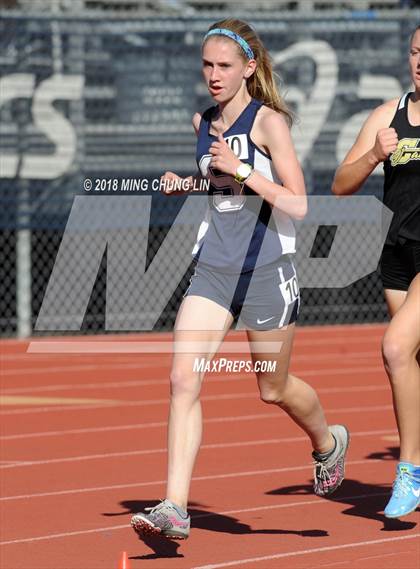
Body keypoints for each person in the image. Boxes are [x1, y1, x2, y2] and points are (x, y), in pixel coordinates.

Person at [131, 18, 350, 540]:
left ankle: (328, 441)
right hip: (214, 269)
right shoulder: (201, 122)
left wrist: (247, 172)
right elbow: (218, 187)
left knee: (271, 389)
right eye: (207, 65)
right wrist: (186, 184)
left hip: (268, 271)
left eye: (224, 65)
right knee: (183, 379)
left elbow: (298, 203)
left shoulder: (268, 122)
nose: (213, 75)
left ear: (249, 68)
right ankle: (175, 507)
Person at [332, 25, 420, 519]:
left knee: (394, 348)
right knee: (414, 364)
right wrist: (374, 153)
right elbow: (342, 184)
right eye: (414, 52)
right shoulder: (388, 116)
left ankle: (409, 471)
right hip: (397, 258)